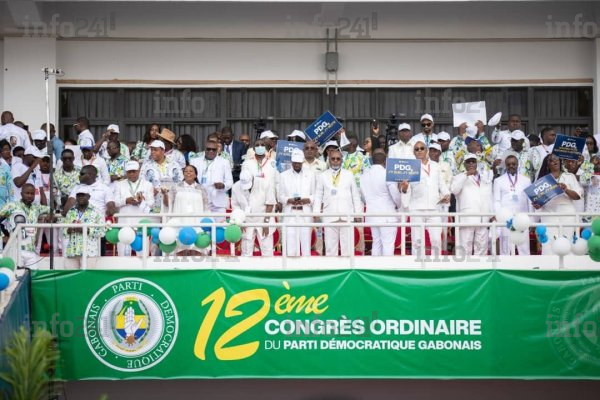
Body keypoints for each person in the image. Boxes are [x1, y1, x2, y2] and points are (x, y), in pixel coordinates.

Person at [400, 140, 450, 256]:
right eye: (416, 149)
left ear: (426, 150)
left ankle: (436, 263)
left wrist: (446, 194)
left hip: (434, 207)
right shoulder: (409, 167)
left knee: (436, 239)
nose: (419, 151)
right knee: (417, 241)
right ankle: (417, 265)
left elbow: (441, 184)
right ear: (413, 152)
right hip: (416, 208)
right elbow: (406, 190)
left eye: (422, 148)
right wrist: (404, 188)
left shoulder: (435, 166)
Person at [313, 149, 362, 256]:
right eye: (333, 159)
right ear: (329, 160)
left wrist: (358, 214)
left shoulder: (349, 174)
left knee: (347, 248)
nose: (335, 161)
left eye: (338, 159)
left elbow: (355, 195)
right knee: (330, 248)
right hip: (329, 215)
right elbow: (318, 196)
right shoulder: (322, 175)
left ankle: (347, 267)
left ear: (341, 160)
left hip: (347, 215)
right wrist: (316, 213)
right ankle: (332, 267)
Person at [533, 154, 583, 254]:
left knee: (567, 242)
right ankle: (549, 263)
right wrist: (537, 205)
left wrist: (566, 189)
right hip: (548, 214)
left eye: (556, 159)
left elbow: (577, 196)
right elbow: (538, 202)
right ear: (547, 164)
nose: (555, 161)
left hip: (567, 214)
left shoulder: (569, 176)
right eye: (551, 160)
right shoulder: (542, 180)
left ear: (560, 161)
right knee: (548, 243)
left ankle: (568, 264)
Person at [359, 149, 402, 256]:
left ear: (372, 160)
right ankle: (386, 266)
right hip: (387, 215)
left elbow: (363, 197)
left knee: (376, 243)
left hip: (372, 214)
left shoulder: (363, 176)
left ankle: (375, 266)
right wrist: (398, 205)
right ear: (385, 161)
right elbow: (395, 195)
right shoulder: (387, 174)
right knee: (388, 244)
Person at [451, 153, 494, 256]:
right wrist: (465, 175)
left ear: (476, 163)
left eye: (473, 161)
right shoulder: (458, 177)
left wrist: (491, 213)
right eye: (468, 162)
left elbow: (489, 196)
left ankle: (481, 266)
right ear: (464, 164)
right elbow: (454, 190)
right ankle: (465, 266)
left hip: (483, 217)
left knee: (482, 249)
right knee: (465, 248)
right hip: (467, 217)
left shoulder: (484, 177)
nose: (471, 164)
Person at [0, 183, 51, 267]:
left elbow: (51, 209)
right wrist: (2, 236)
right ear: (21, 194)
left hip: (31, 251)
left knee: (34, 274)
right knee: (17, 274)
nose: (29, 196)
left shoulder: (36, 208)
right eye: (27, 193)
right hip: (15, 250)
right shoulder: (12, 206)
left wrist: (51, 214)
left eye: (32, 194)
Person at [278, 149, 316, 256]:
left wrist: (308, 199)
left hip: (305, 212)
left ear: (302, 161)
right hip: (290, 212)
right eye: (294, 162)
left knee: (305, 244)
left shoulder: (311, 174)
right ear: (291, 161)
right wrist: (288, 200)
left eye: (299, 162)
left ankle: (305, 265)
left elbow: (315, 194)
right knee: (290, 245)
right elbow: (280, 196)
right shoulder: (283, 175)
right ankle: (291, 265)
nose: (296, 165)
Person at [493, 154, 532, 255]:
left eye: (513, 164)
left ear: (517, 164)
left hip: (522, 217)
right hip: (505, 219)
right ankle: (505, 263)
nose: (511, 166)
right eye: (508, 164)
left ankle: (525, 263)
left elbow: (530, 201)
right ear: (505, 166)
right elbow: (496, 200)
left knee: (523, 246)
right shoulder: (498, 181)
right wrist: (498, 216)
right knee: (505, 247)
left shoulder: (526, 180)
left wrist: (531, 219)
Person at [114, 161, 155, 256]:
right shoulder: (119, 184)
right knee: (123, 252)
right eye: (129, 172)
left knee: (142, 252)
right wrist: (126, 201)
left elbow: (151, 203)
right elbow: (115, 202)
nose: (132, 174)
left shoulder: (147, 184)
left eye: (134, 171)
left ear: (139, 171)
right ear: (126, 172)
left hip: (141, 221)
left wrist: (141, 201)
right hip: (124, 221)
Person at [232, 169, 276, 257]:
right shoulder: (236, 187)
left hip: (263, 220)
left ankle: (269, 266)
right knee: (246, 252)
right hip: (246, 221)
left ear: (252, 178)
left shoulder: (264, 183)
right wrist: (239, 221)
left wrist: (266, 222)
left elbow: (270, 203)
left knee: (267, 251)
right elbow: (235, 206)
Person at [63, 186, 105, 269]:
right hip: (72, 251)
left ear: (89, 197)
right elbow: (64, 231)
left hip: (89, 253)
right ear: (76, 197)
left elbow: (102, 232)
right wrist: (69, 230)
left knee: (87, 276)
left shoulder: (97, 212)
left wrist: (86, 230)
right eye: (79, 195)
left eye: (83, 195)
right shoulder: (71, 211)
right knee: (70, 276)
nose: (81, 197)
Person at [190, 140, 233, 218]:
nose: (211, 151)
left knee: (219, 225)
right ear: (204, 149)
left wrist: (223, 185)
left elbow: (230, 181)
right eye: (208, 149)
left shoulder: (224, 162)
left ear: (217, 150)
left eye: (214, 149)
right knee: (199, 224)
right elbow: (189, 179)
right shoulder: (194, 161)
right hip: (199, 200)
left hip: (218, 202)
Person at [140, 140, 183, 213]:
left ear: (163, 151)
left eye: (155, 150)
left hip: (171, 203)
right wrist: (151, 192)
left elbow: (180, 182)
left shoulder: (174, 164)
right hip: (154, 205)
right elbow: (142, 184)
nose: (152, 152)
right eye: (151, 150)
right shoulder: (146, 166)